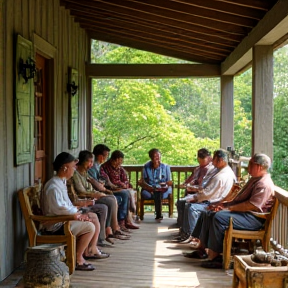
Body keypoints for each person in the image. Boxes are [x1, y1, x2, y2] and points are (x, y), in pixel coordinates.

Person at [190, 153, 275, 269]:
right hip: (244, 214)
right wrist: (222, 204)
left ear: (259, 166)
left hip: (254, 219)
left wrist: (228, 208)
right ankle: (202, 249)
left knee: (218, 217)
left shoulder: (264, 183)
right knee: (208, 212)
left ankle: (218, 256)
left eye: (250, 164)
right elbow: (239, 200)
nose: (248, 167)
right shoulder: (254, 179)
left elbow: (251, 205)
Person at [41, 152, 103, 271]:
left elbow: (65, 206)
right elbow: (59, 209)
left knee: (93, 216)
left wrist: (79, 213)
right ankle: (77, 259)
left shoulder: (61, 181)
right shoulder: (53, 186)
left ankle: (88, 251)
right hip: (55, 225)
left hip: (64, 218)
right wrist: (77, 215)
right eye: (73, 167)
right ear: (65, 167)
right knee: (89, 226)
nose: (74, 170)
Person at [175, 149, 236, 243]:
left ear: (220, 160)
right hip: (210, 198)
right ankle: (186, 233)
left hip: (214, 201)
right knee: (186, 203)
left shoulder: (222, 175)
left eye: (214, 159)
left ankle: (193, 236)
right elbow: (206, 189)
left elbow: (208, 194)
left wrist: (195, 197)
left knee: (192, 208)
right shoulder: (218, 170)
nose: (212, 161)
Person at [72, 150, 130, 241]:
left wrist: (103, 191)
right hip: (86, 199)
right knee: (110, 200)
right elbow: (81, 192)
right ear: (83, 161)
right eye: (90, 162)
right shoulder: (76, 174)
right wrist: (97, 194)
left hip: (93, 195)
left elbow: (93, 186)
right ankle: (112, 230)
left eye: (92, 162)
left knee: (112, 198)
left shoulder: (85, 173)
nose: (91, 165)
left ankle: (112, 229)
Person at [173, 148, 214, 229]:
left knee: (183, 203)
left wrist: (192, 186)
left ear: (209, 158)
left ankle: (187, 230)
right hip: (194, 192)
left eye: (203, 158)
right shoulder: (198, 169)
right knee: (180, 202)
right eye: (199, 158)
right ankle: (181, 226)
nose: (200, 160)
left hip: (203, 196)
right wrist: (187, 184)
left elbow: (202, 185)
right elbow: (191, 179)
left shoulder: (210, 169)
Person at [98, 149, 139, 230]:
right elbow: (107, 182)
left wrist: (124, 184)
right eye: (120, 160)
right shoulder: (104, 167)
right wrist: (120, 185)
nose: (121, 162)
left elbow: (125, 180)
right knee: (125, 193)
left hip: (120, 189)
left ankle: (126, 220)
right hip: (109, 190)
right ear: (116, 159)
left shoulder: (120, 169)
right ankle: (122, 221)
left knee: (128, 192)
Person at [138, 148, 173, 221]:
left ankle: (158, 214)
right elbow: (143, 181)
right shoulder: (146, 166)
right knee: (150, 192)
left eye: (158, 156)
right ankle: (159, 214)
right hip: (149, 188)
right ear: (151, 157)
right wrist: (149, 188)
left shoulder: (166, 167)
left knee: (158, 192)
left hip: (163, 189)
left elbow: (169, 182)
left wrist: (164, 184)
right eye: (155, 156)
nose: (157, 158)